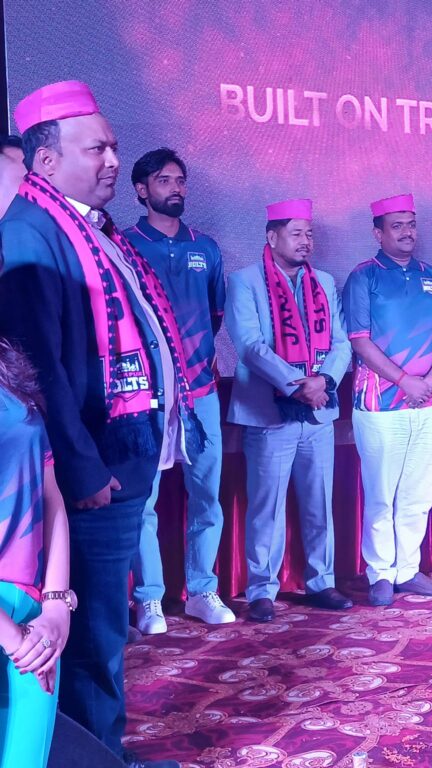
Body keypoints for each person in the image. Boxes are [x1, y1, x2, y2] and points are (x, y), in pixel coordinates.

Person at [0, 80, 191, 767]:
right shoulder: (31, 232)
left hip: (119, 457)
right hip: (91, 474)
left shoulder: (88, 226)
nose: (113, 159)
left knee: (104, 629)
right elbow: (38, 370)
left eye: (114, 146)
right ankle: (98, 757)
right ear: (46, 161)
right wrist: (83, 472)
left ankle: (106, 753)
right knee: (89, 640)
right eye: (96, 149)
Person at [225, 198, 352, 623]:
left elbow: (341, 342)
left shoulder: (324, 282)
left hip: (319, 411)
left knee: (319, 503)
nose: (305, 241)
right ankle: (262, 589)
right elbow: (250, 346)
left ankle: (321, 581)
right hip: (269, 413)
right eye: (296, 233)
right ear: (272, 236)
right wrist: (299, 387)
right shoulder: (245, 282)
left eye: (309, 234)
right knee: (267, 507)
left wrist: (325, 381)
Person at [125, 148, 233, 632]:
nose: (176, 188)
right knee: (143, 500)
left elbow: (215, 314)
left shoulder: (204, 247)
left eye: (180, 180)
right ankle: (148, 598)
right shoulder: (125, 245)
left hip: (200, 392)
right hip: (147, 396)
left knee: (207, 495)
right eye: (164, 180)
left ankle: (202, 590)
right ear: (141, 190)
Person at [343, 194, 432, 607]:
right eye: (397, 226)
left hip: (425, 401)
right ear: (379, 233)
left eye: (411, 224)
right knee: (381, 493)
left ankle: (407, 569)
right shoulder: (364, 277)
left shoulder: (431, 276)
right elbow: (360, 341)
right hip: (380, 405)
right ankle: (380, 573)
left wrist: (430, 381)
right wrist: (405, 380)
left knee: (418, 493)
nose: (407, 232)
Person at [0, 334, 72, 767]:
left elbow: (50, 495)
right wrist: (14, 640)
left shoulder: (8, 368)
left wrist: (56, 604)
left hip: (29, 608)